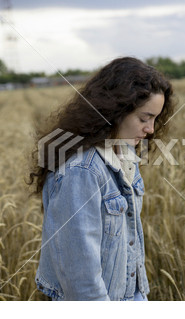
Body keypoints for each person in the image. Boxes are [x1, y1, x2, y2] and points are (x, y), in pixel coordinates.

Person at [27, 57, 175, 301]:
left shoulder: (124, 154)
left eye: (155, 119)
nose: (151, 129)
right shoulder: (81, 171)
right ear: (116, 110)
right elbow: (81, 280)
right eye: (144, 118)